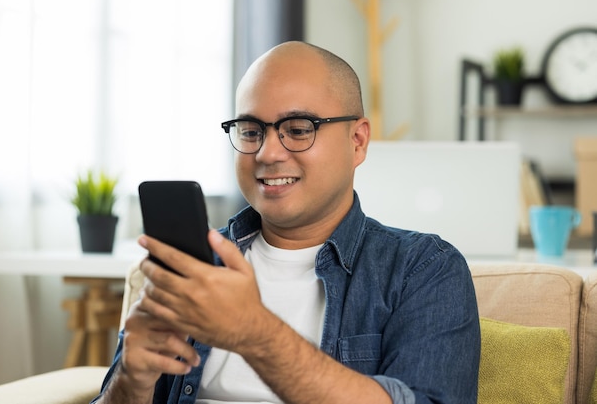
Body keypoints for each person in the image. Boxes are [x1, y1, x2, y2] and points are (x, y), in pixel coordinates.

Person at [93, 41, 480, 404]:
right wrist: (132, 378)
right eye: (250, 131)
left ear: (357, 141)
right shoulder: (193, 266)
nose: (268, 153)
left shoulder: (423, 268)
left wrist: (255, 333)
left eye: (297, 130)